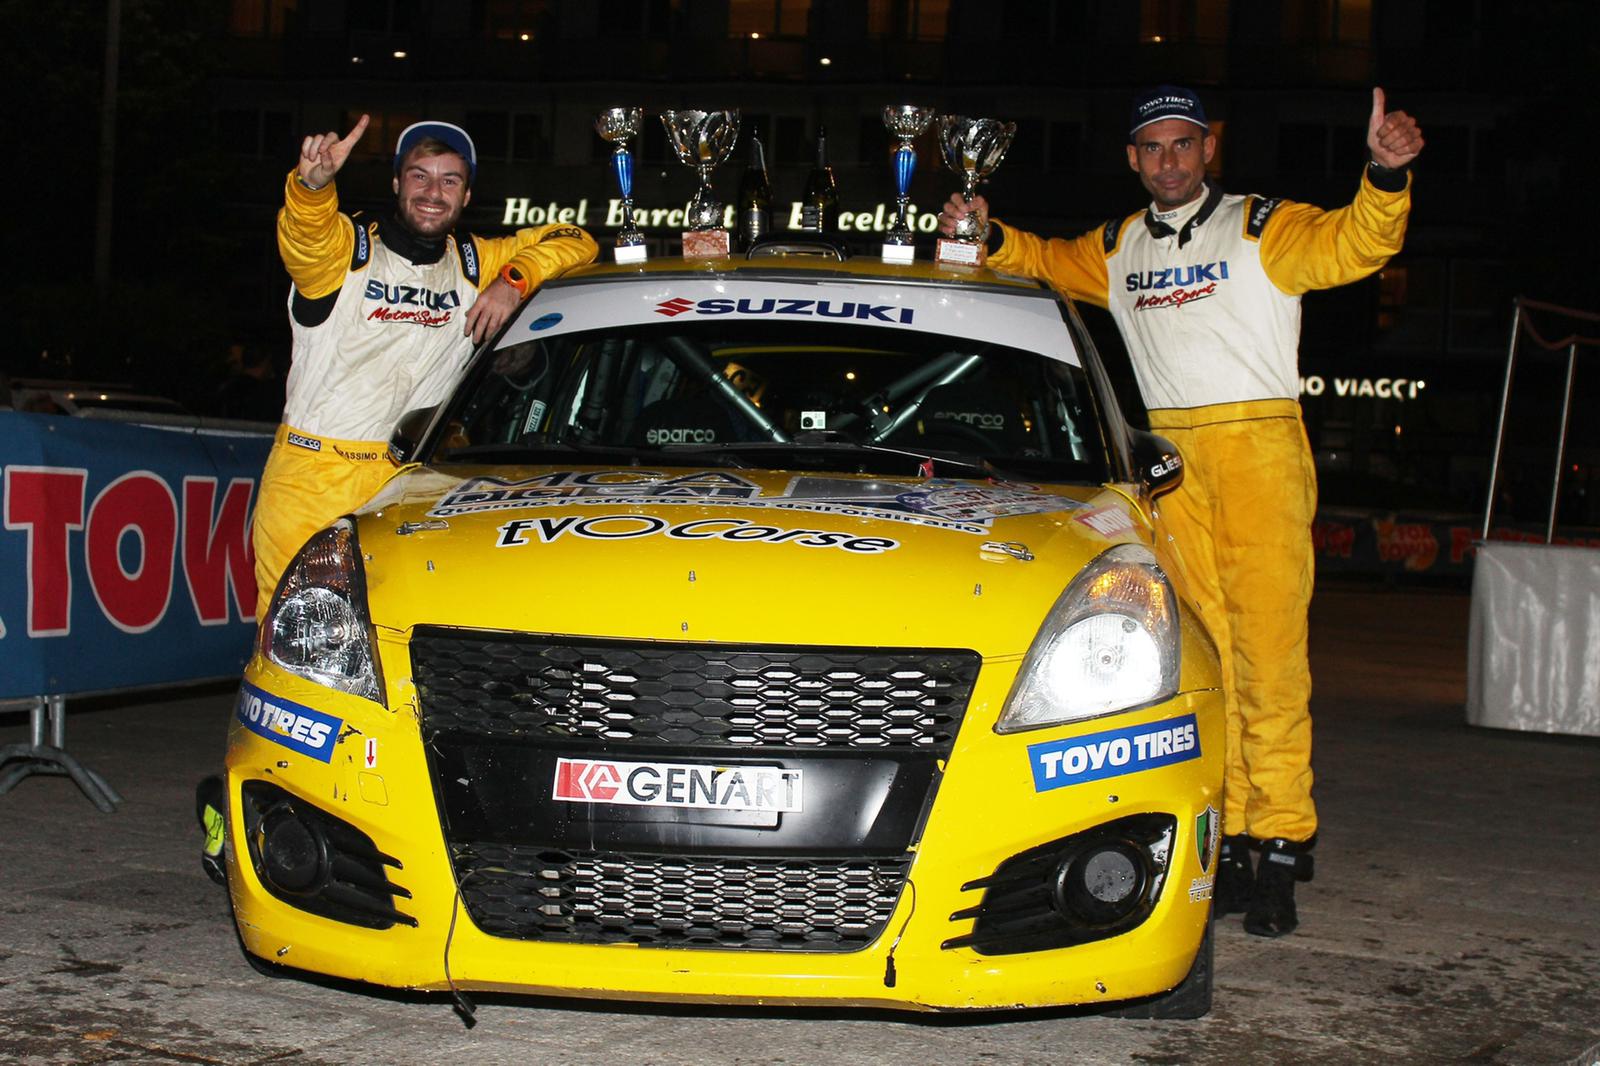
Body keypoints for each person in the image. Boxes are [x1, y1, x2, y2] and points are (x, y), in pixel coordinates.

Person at [940, 85, 1423, 936]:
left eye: (1183, 144)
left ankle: (1280, 843)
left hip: (1260, 452)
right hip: (1172, 465)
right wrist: (984, 230)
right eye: (1153, 148)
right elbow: (1043, 261)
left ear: (1209, 149)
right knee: (1202, 655)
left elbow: (1357, 243)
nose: (1169, 161)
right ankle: (1228, 839)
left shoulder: (1261, 225)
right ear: (1133, 159)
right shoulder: (1119, 244)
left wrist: (1384, 177)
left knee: (1270, 656)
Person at [254, 114, 598, 619]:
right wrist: (312, 187)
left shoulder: (477, 263)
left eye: (449, 180)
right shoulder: (346, 251)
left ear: (466, 196)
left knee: (398, 639)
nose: (433, 192)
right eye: (420, 175)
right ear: (396, 183)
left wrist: (514, 280)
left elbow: (576, 240)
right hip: (313, 479)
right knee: (299, 636)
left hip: (410, 486)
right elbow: (306, 234)